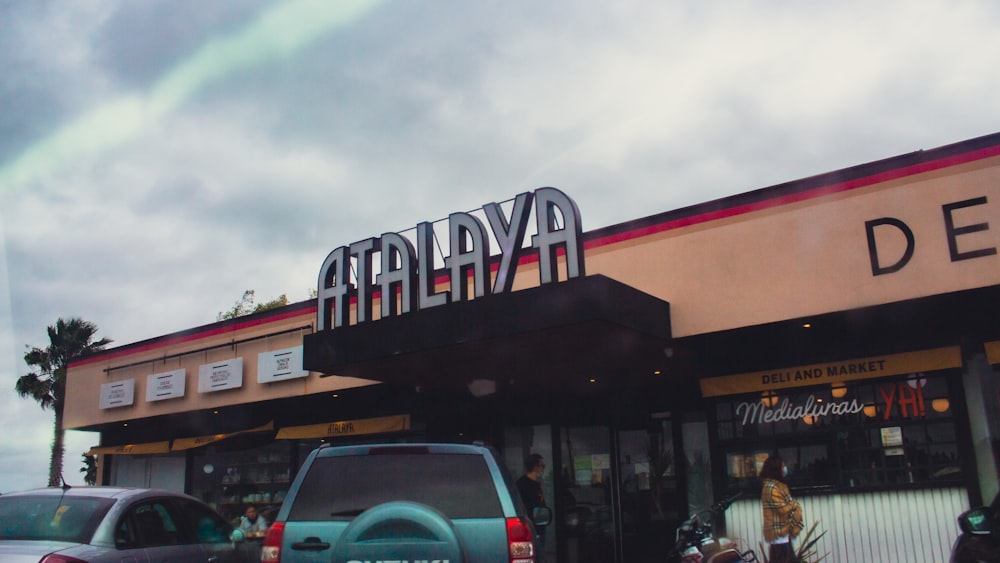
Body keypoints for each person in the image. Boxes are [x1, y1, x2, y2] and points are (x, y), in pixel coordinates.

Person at [760, 454, 803, 563]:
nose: (785, 468)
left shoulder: (778, 486)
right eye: (783, 466)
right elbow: (782, 509)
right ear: (776, 469)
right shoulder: (771, 487)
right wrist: (794, 505)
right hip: (778, 535)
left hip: (783, 534)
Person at [516, 453, 547, 558]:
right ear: (535, 467)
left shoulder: (536, 484)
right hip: (531, 528)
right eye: (542, 466)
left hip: (540, 526)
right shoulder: (522, 485)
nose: (543, 470)